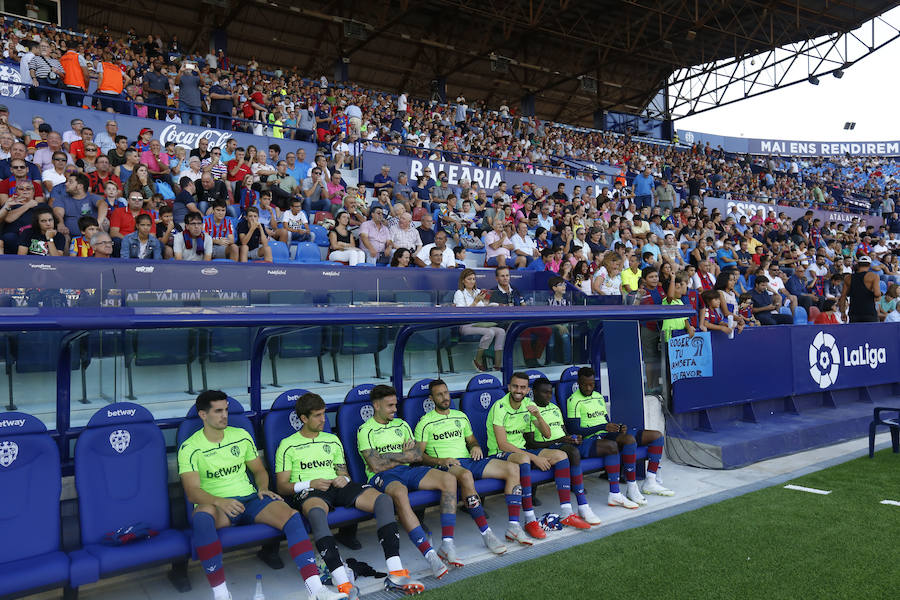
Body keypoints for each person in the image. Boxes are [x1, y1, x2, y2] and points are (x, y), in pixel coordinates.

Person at [177, 390, 347, 600]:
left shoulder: (240, 435)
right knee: (202, 517)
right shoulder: (190, 447)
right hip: (218, 506)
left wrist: (263, 488)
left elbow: (258, 471)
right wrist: (219, 501)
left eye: (226, 410)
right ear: (203, 415)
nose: (224, 416)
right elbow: (192, 492)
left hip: (250, 500)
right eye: (218, 411)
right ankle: (221, 594)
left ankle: (315, 589)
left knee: (291, 516)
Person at [275, 393, 424, 597]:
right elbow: (282, 486)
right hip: (310, 490)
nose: (323, 419)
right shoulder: (287, 445)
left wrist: (342, 479)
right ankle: (344, 584)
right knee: (317, 514)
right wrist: (310, 483)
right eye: (317, 415)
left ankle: (397, 572)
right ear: (303, 419)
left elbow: (342, 472)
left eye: (323, 414)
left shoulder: (332, 440)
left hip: (337, 486)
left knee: (383, 500)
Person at [414, 379, 528, 553]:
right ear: (431, 398)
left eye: (446, 393)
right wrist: (440, 461)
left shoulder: (461, 416)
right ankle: (486, 533)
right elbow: (418, 456)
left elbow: (471, 440)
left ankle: (514, 526)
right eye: (439, 394)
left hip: (469, 460)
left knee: (513, 468)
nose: (445, 397)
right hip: (446, 465)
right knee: (466, 475)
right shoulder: (425, 423)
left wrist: (475, 446)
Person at [356, 385, 453, 580]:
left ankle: (448, 543)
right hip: (383, 477)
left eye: (395, 405)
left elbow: (416, 455)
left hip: (407, 470)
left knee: (449, 478)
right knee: (400, 493)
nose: (394, 409)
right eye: (389, 405)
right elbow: (375, 465)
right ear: (376, 406)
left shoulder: (402, 425)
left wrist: (389, 456)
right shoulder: (365, 430)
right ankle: (429, 553)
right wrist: (403, 454)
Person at [487, 372, 592, 539]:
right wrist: (534, 457)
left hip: (522, 450)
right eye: (515, 386)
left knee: (561, 455)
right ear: (509, 387)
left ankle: (567, 512)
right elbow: (502, 444)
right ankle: (529, 519)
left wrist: (537, 416)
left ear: (527, 389)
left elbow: (547, 434)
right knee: (524, 458)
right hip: (500, 454)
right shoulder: (499, 407)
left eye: (522, 387)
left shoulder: (528, 404)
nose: (518, 390)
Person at [565, 367, 674, 506]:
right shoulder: (573, 401)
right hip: (593, 438)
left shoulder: (598, 396)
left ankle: (650, 481)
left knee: (656, 436)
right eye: (584, 384)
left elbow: (604, 420)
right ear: (578, 383)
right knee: (629, 441)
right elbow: (574, 429)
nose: (588, 388)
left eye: (591, 384)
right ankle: (631, 487)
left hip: (607, 433)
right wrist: (603, 427)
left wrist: (618, 427)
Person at [523, 377, 602, 525]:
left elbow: (563, 432)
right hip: (544, 448)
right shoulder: (530, 411)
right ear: (534, 392)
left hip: (561, 445)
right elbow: (531, 443)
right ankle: (582, 505)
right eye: (544, 393)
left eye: (550, 393)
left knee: (574, 449)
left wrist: (572, 438)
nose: (548, 396)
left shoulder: (554, 408)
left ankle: (577, 504)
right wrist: (561, 441)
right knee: (572, 452)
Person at [454, 268, 504, 372]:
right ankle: (477, 360)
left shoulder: (478, 291)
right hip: (466, 325)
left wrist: (492, 304)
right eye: (469, 279)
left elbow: (483, 308)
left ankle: (498, 364)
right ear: (463, 280)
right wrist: (475, 302)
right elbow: (462, 313)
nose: (472, 281)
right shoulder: (459, 293)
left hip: (481, 323)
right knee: (490, 332)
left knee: (501, 331)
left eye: (473, 279)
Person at [839, 256, 881, 323]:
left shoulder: (848, 278)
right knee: (870, 333)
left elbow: (843, 296)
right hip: (869, 311)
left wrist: (843, 312)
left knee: (855, 333)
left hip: (854, 312)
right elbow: (877, 293)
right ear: (869, 265)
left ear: (858, 265)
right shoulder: (874, 276)